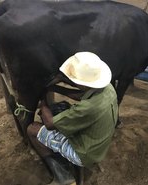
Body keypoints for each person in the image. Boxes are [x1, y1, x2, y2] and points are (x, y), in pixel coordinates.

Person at [27, 52, 118, 184]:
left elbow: (49, 124)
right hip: (99, 145)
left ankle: (63, 177)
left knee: (32, 129)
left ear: (84, 83)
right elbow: (82, 95)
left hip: (85, 154)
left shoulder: (87, 108)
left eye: (74, 80)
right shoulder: (107, 88)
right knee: (62, 106)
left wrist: (43, 102)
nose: (71, 82)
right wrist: (55, 88)